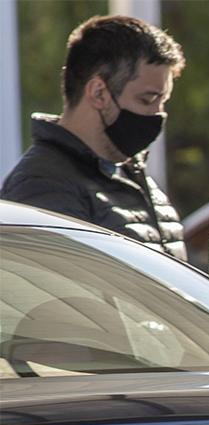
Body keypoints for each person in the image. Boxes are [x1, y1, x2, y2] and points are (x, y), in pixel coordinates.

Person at [1, 15, 187, 260]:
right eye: (148, 100)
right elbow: (65, 293)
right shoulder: (42, 187)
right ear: (99, 93)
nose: (158, 115)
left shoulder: (131, 174)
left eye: (163, 102)